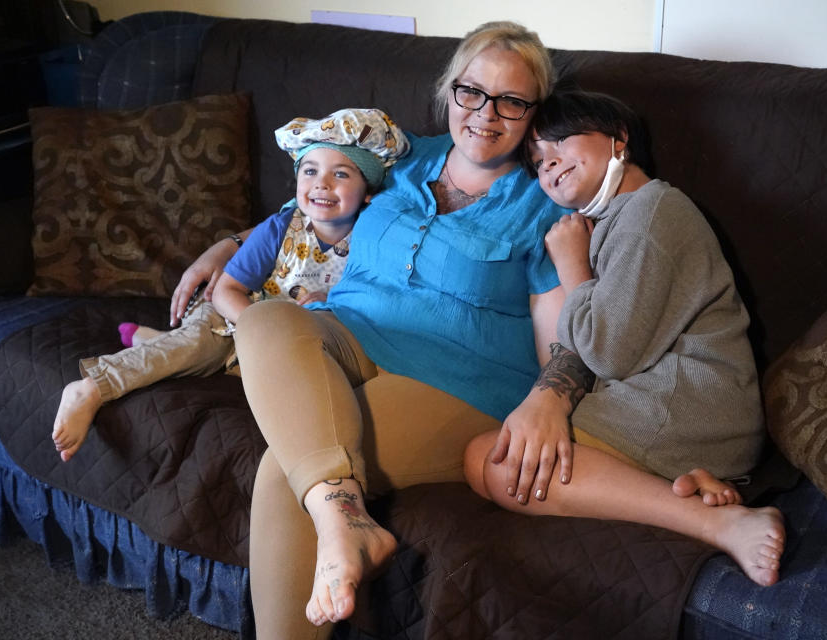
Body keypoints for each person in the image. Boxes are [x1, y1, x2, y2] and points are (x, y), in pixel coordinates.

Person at [179, 21, 569, 639]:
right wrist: (227, 248)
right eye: (472, 92)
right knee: (268, 317)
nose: (486, 115)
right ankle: (345, 520)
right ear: (449, 90)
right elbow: (322, 187)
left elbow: (563, 332)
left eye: (512, 102)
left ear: (534, 114)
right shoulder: (405, 156)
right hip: (348, 332)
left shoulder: (547, 199)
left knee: (286, 473)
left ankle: (338, 519)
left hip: (454, 378)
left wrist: (552, 399)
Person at [463, 89, 785, 587]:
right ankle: (685, 486)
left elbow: (607, 352)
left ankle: (719, 522)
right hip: (667, 406)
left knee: (495, 461)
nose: (550, 165)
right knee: (500, 456)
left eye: (561, 143)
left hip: (690, 401)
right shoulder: (617, 221)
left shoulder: (651, 213)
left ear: (619, 139)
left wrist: (573, 266)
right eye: (539, 163)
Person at [50, 107, 410, 463]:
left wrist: (327, 302)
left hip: (294, 339)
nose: (322, 184)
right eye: (310, 171)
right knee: (202, 344)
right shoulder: (279, 229)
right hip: (232, 315)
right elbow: (226, 290)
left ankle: (157, 341)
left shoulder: (372, 241)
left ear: (368, 192)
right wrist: (260, 329)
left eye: (341, 174)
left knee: (266, 376)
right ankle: (93, 386)